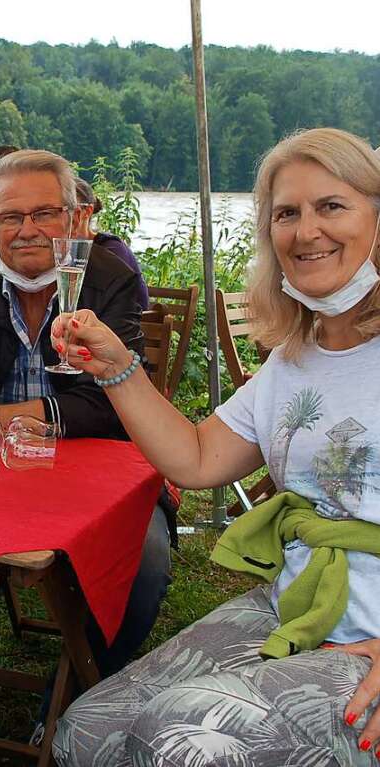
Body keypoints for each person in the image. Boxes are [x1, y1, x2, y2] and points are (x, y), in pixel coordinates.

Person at [52, 127, 380, 765]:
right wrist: (119, 368)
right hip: (299, 607)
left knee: (173, 741)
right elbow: (198, 459)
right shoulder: (294, 360)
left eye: (332, 206)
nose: (305, 231)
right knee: (87, 730)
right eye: (286, 213)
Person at [0, 150, 172, 725]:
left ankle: (70, 705)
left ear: (78, 219)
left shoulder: (111, 279)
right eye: (10, 216)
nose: (27, 230)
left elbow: (110, 403)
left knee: (145, 560)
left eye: (46, 213)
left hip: (97, 469)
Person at [74, 177, 150, 309]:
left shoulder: (112, 249)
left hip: (130, 323)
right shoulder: (66, 250)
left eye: (69, 209)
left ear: (87, 212)